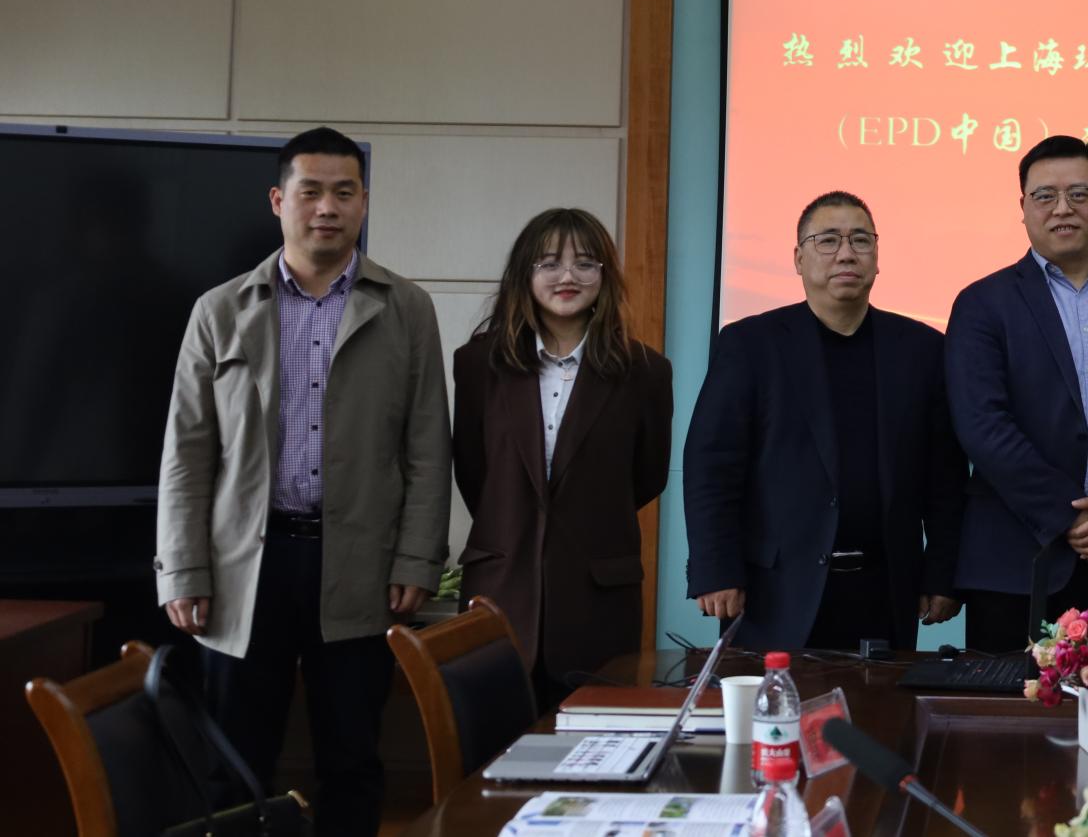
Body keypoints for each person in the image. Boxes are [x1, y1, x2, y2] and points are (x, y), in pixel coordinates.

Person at [156, 127, 450, 837]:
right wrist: (182, 568)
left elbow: (426, 448)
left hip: (358, 562)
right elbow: (186, 453)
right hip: (243, 565)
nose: (327, 207)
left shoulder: (406, 308)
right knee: (234, 762)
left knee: (352, 757)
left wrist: (417, 558)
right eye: (311, 191)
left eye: (344, 192)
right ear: (278, 199)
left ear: (363, 203)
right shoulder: (220, 309)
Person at [684, 191, 965, 651]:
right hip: (775, 590)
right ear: (798, 258)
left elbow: (945, 476)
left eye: (861, 240)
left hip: (886, 589)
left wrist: (941, 574)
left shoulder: (922, 349)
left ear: (877, 257)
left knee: (882, 701)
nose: (847, 253)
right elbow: (711, 465)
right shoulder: (751, 344)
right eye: (828, 240)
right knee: (774, 700)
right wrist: (715, 568)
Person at [947, 135, 1088, 654]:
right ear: (1023, 207)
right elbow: (982, 425)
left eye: (1079, 193)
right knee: (1005, 703)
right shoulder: (982, 304)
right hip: (1015, 562)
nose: (1062, 208)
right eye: (1045, 196)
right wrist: (1067, 515)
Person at [452, 208, 673, 710]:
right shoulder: (479, 363)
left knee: (591, 743)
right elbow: (473, 471)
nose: (568, 276)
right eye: (549, 263)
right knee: (493, 745)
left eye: (585, 263)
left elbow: (647, 476)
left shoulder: (645, 372)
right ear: (524, 274)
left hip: (598, 602)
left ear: (605, 275)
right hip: (501, 594)